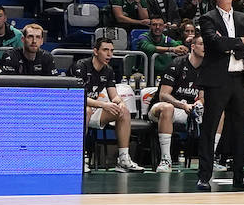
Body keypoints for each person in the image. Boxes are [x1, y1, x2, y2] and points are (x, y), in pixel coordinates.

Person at [195, 0, 244, 191]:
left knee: (240, 129)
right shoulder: (208, 18)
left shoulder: (243, 18)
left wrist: (233, 46)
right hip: (217, 81)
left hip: (240, 79)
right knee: (210, 127)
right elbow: (214, 43)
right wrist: (239, 42)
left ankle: (240, 175)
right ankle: (204, 175)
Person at [76, 39, 144, 173]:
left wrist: (121, 103)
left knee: (123, 111)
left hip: (94, 109)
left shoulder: (108, 71)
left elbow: (114, 96)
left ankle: (123, 159)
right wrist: (103, 105)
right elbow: (78, 97)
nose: (109, 54)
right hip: (75, 110)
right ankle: (78, 159)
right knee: (86, 110)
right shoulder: (81, 66)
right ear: (95, 51)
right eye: (105, 50)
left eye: (111, 51)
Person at [153, 33, 206, 171]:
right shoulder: (177, 63)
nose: (205, 47)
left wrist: (199, 103)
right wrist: (182, 105)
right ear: (193, 46)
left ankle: (210, 158)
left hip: (188, 109)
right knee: (168, 108)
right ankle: (166, 159)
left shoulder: (206, 68)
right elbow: (163, 95)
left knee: (219, 112)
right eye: (201, 44)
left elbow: (202, 95)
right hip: (161, 108)